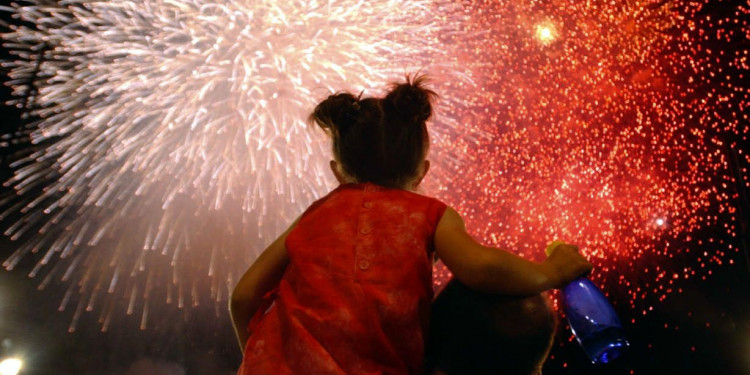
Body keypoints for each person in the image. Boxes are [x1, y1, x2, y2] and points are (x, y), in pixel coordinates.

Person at [230, 74, 593, 375]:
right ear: (422, 171)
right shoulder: (427, 215)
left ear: (338, 173)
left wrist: (263, 356)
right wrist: (549, 272)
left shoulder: (314, 215)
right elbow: (480, 268)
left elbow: (245, 297)